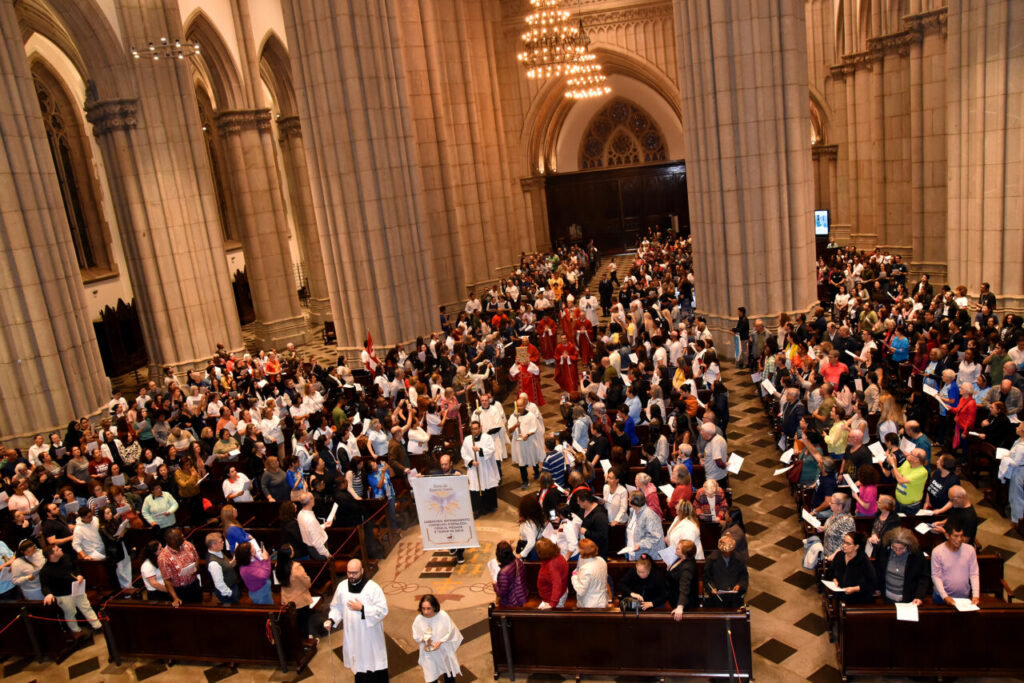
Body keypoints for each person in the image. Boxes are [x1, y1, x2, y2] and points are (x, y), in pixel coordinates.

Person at [325, 559, 389, 682]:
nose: (351, 576)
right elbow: (337, 606)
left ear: (362, 571)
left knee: (374, 666)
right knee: (359, 668)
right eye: (349, 572)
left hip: (370, 637)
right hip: (353, 637)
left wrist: (362, 609)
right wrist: (331, 620)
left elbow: (382, 610)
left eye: (354, 573)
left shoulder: (373, 588)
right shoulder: (342, 587)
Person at [40, 545, 102, 633]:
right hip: (63, 595)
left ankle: (98, 626)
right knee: (70, 614)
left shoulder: (65, 558)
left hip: (77, 588)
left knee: (86, 607)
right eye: (57, 549)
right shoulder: (45, 571)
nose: (61, 549)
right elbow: (45, 585)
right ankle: (76, 631)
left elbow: (75, 568)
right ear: (52, 555)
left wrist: (78, 575)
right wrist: (48, 594)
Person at [412, 594, 463, 683]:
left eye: (428, 608)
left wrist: (440, 642)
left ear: (434, 607)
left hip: (444, 650)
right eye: (423, 608)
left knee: (449, 673)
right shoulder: (419, 619)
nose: (426, 612)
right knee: (431, 677)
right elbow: (416, 635)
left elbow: (451, 631)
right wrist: (424, 640)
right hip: (429, 654)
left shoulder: (442, 615)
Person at [875, 528, 929, 605]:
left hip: (909, 599)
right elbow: (879, 570)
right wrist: (877, 587)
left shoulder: (917, 555)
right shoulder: (884, 551)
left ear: (908, 546)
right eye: (894, 547)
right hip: (887, 598)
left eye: (901, 548)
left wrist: (919, 596)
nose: (897, 551)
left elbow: (923, 577)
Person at [930, 524, 979, 606]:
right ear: (947, 535)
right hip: (941, 598)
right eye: (956, 536)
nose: (959, 539)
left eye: (961, 536)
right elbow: (936, 576)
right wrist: (945, 596)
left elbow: (974, 574)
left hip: (963, 597)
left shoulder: (970, 550)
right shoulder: (937, 552)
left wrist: (976, 595)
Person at [461, 420, 499, 516]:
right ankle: (477, 509)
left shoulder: (487, 438)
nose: (475, 431)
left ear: (480, 428)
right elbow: (463, 453)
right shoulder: (467, 439)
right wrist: (471, 461)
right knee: (475, 487)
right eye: (473, 429)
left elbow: (491, 450)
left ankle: (489, 507)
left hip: (485, 466)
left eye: (476, 429)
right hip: (474, 468)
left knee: (487, 485)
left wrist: (479, 450)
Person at [276, 544, 314, 638]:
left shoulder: (277, 565)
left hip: (286, 599)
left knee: (293, 624)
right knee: (303, 623)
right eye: (292, 550)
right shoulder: (296, 567)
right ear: (290, 554)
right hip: (300, 600)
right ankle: (305, 640)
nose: (293, 551)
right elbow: (307, 583)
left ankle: (297, 639)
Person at [827, 532, 876, 604]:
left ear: (856, 547)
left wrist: (855, 589)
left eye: (848, 544)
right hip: (839, 595)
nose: (844, 545)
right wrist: (834, 580)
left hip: (857, 600)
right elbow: (831, 572)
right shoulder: (839, 556)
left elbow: (872, 583)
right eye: (844, 542)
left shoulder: (863, 560)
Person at [157, 528, 202, 603]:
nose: (183, 535)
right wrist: (175, 598)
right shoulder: (163, 558)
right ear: (173, 540)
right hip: (180, 590)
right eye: (180, 535)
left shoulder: (187, 545)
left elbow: (196, 557)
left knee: (199, 605)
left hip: (194, 584)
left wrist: (195, 567)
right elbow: (167, 580)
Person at [704, 535, 748, 608]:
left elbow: (744, 576)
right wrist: (712, 588)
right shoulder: (711, 559)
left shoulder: (739, 559)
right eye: (725, 552)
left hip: (734, 599)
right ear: (721, 550)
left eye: (729, 552)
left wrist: (739, 585)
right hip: (717, 599)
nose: (727, 554)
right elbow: (707, 578)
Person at [625, 491, 666, 560]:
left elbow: (655, 537)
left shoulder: (649, 516)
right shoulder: (632, 512)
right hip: (633, 554)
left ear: (634, 502)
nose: (628, 499)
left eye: (629, 498)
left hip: (648, 556)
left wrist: (640, 545)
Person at [571, 538, 608, 608]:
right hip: (602, 600)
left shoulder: (586, 568)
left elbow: (580, 590)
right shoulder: (601, 560)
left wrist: (574, 577)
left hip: (590, 604)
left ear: (582, 551)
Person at [667, 539, 699, 620]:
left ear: (684, 553)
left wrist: (680, 606)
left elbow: (684, 587)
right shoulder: (680, 558)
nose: (675, 549)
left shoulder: (688, 567)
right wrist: (669, 569)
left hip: (685, 604)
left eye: (678, 548)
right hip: (674, 598)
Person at [535, 538, 569, 609]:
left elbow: (557, 585)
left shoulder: (552, 565)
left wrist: (552, 603)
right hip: (551, 595)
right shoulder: (555, 555)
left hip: (553, 598)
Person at [297, 492, 331, 560]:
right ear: (311, 501)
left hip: (311, 547)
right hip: (319, 549)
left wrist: (324, 525)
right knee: (325, 564)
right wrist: (327, 554)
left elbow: (311, 530)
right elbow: (317, 542)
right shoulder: (310, 519)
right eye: (313, 498)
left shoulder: (300, 514)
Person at [493, 541, 528, 607]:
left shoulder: (503, 573)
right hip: (522, 597)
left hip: (511, 603)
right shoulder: (518, 561)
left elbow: (501, 593)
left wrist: (495, 584)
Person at [578, 491, 610, 559]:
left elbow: (602, 536)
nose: (578, 503)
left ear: (585, 502)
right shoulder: (582, 510)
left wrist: (586, 532)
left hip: (597, 552)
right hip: (586, 548)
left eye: (579, 501)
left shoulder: (600, 515)